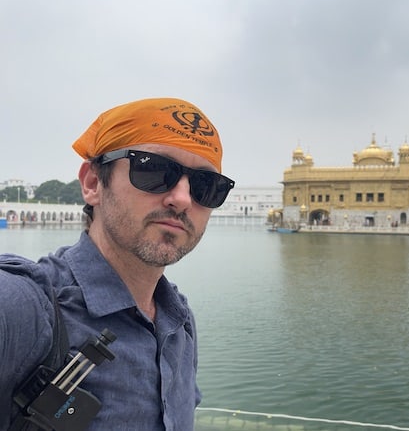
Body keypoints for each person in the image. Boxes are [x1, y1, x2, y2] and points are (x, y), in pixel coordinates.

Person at [0, 98, 235, 430]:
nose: (182, 199)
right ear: (94, 183)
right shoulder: (25, 309)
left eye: (205, 186)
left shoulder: (178, 323)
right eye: (154, 170)